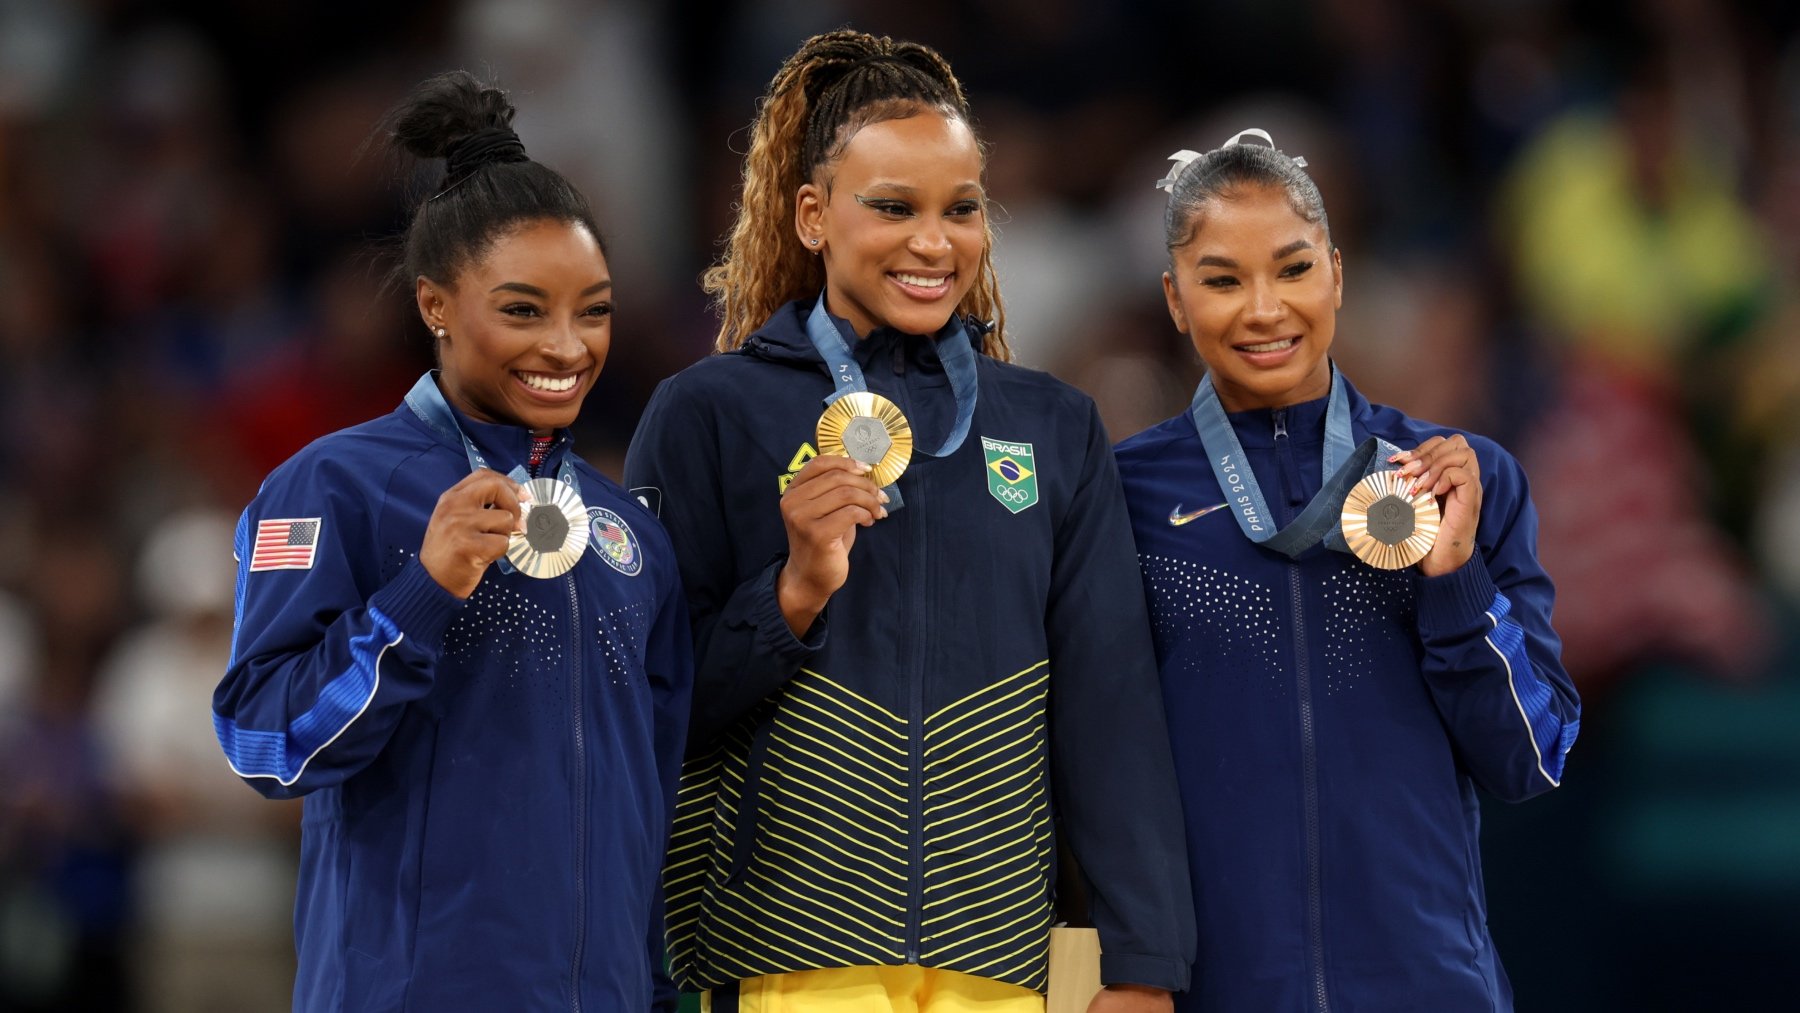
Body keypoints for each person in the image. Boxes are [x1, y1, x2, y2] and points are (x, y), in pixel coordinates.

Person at [625, 29, 1193, 1013]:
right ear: (812, 214)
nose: (934, 242)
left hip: (995, 950)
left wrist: (1144, 959)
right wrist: (791, 591)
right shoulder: (708, 413)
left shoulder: (1051, 427)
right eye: (893, 207)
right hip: (787, 946)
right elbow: (651, 706)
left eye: (960, 208)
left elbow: (1111, 703)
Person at [210, 71, 692, 1011]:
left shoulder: (629, 533)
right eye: (522, 309)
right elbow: (261, 739)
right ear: (436, 305)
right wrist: (422, 591)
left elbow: (659, 795)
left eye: (592, 309)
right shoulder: (337, 485)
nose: (566, 346)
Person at [1114, 130, 1582, 1012]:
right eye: (1222, 280)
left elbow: (1532, 758)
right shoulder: (1121, 495)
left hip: (1429, 987)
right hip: (1220, 990)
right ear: (1176, 302)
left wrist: (1455, 581)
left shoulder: (1459, 478)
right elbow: (1096, 769)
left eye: (1292, 270)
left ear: (1336, 273)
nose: (1263, 309)